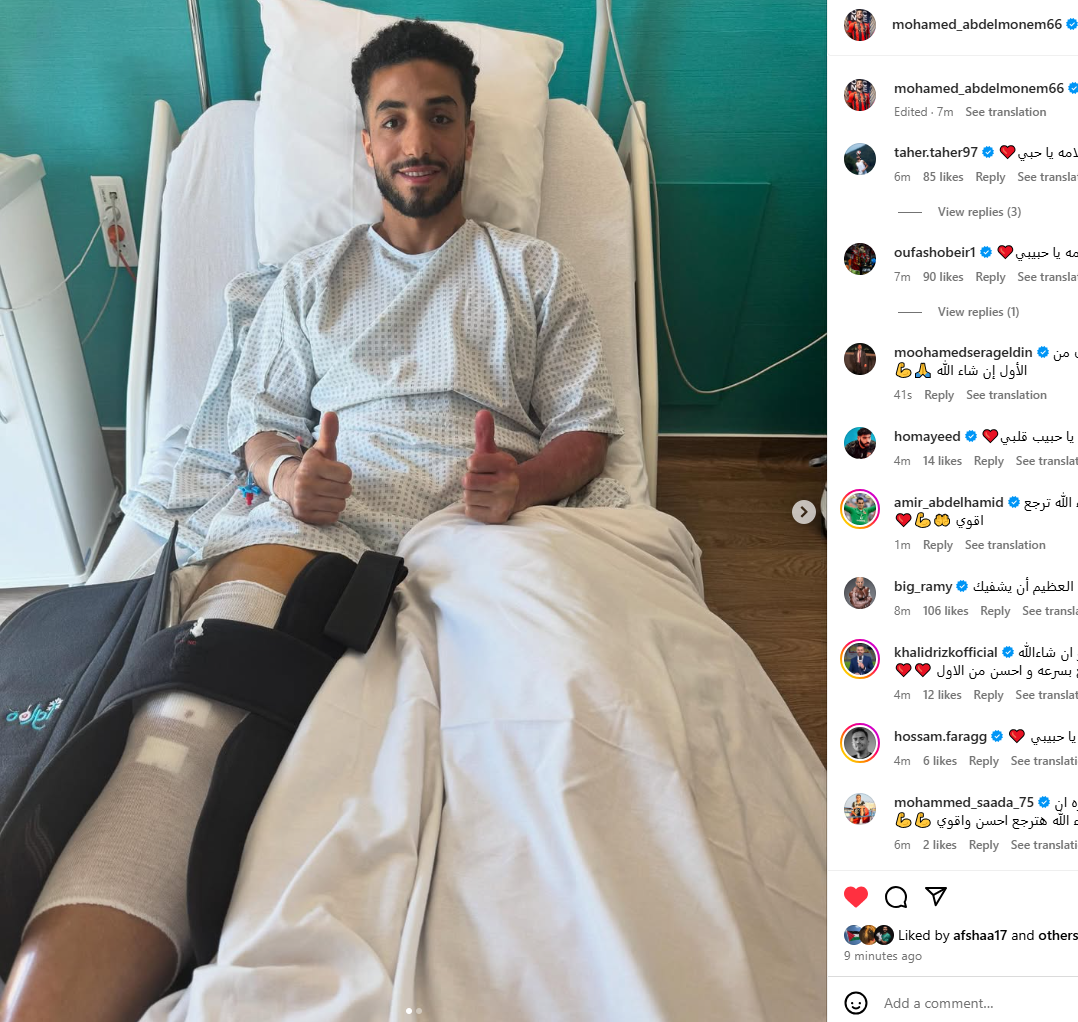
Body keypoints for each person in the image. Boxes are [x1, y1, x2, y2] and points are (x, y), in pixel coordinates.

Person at [0, 20, 628, 1022]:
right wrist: (289, 474)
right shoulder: (308, 281)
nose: (417, 139)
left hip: (489, 533)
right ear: (366, 141)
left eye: (439, 116)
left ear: (469, 135)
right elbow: (253, 427)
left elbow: (586, 432)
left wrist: (521, 482)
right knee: (187, 716)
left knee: (546, 735)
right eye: (394, 119)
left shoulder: (533, 273)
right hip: (312, 529)